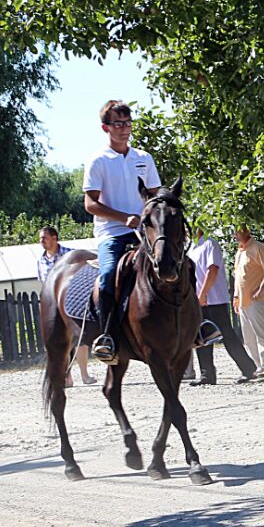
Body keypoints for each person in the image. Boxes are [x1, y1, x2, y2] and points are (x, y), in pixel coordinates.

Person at [81, 100, 162, 362]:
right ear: (105, 127)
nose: (124, 129)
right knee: (107, 276)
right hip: (112, 232)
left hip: (143, 231)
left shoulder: (144, 158)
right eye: (118, 124)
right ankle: (107, 337)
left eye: (127, 123)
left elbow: (154, 194)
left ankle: (195, 326)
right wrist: (122, 217)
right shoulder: (98, 160)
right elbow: (90, 204)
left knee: (179, 264)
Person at [187, 233, 258, 385]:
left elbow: (212, 269)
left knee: (226, 334)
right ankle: (207, 375)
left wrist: (204, 292)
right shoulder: (191, 247)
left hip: (214, 298)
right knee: (201, 336)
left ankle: (249, 369)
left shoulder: (209, 244)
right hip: (198, 300)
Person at [37, 226, 93, 385]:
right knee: (60, 341)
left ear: (55, 238)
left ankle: (84, 374)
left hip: (72, 300)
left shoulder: (71, 255)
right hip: (53, 305)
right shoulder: (40, 261)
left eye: (44, 238)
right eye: (41, 238)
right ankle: (67, 376)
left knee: (80, 337)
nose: (42, 241)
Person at [232, 227, 264, 376]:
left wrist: (260, 288)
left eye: (238, 231)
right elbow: (239, 276)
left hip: (256, 299)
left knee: (262, 333)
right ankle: (258, 366)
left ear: (247, 231)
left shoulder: (258, 247)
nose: (235, 234)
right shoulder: (239, 252)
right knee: (248, 336)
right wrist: (236, 296)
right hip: (243, 300)